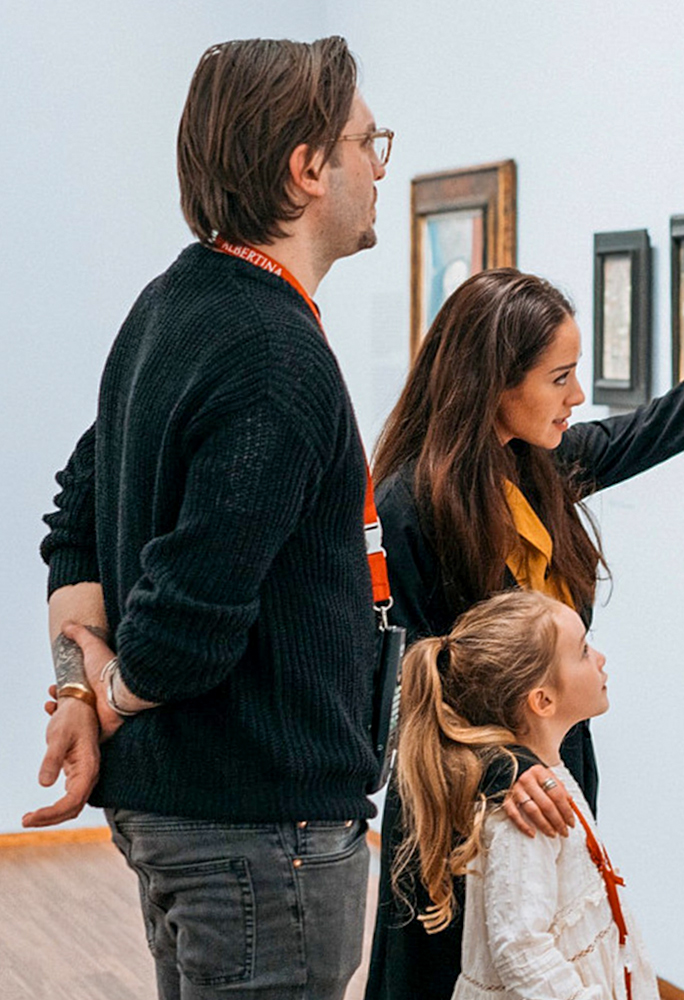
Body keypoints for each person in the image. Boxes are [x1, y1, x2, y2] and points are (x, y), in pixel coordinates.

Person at [365, 267, 684, 999]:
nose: (577, 397)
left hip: (556, 770)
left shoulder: (541, 468)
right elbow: (421, 686)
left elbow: (663, 423)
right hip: (460, 803)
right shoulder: (411, 505)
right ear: (494, 384)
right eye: (560, 378)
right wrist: (501, 771)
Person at [29, 36, 392, 1000]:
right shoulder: (274, 353)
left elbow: (76, 514)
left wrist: (76, 688)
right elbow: (183, 631)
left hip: (199, 820)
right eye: (367, 143)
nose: (376, 168)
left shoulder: (169, 307)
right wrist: (110, 686)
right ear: (307, 168)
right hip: (261, 838)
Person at [396, 589, 658, 1000]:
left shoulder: (550, 773)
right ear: (542, 700)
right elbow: (521, 950)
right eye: (584, 650)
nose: (601, 658)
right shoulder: (526, 813)